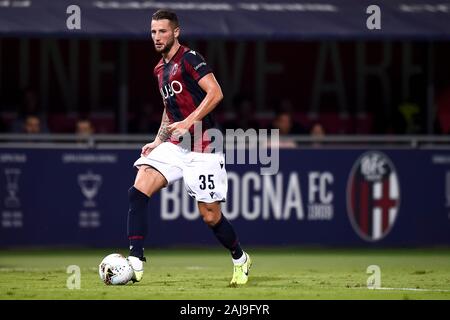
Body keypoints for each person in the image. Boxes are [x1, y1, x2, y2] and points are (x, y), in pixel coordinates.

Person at [126, 9, 251, 286]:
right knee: (138, 189)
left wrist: (189, 121)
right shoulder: (159, 69)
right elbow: (168, 109)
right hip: (175, 145)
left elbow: (216, 92)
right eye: (153, 32)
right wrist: (158, 140)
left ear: (176, 32)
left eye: (162, 31)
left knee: (210, 216)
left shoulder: (190, 59)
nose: (157, 37)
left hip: (204, 146)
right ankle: (135, 262)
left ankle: (240, 258)